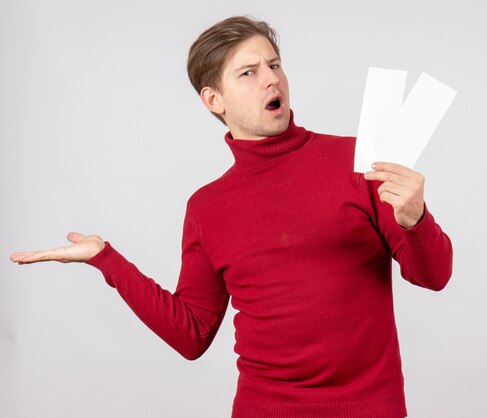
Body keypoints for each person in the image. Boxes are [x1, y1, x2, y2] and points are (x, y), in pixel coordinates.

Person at [10, 15, 453, 418]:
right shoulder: (207, 207)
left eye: (274, 65)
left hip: (369, 408)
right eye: (249, 72)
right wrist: (105, 258)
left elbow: (433, 276)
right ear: (213, 99)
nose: (271, 80)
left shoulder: (358, 162)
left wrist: (416, 220)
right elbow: (191, 334)